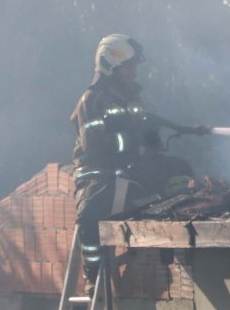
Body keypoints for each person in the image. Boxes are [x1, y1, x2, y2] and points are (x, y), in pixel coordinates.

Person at [70, 34, 208, 288]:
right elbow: (96, 147)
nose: (134, 71)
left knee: (180, 169)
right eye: (129, 65)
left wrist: (158, 135)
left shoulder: (132, 97)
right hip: (100, 176)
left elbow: (145, 133)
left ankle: (173, 237)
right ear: (111, 65)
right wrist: (128, 137)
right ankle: (92, 274)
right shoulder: (91, 101)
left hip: (131, 171)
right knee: (89, 215)